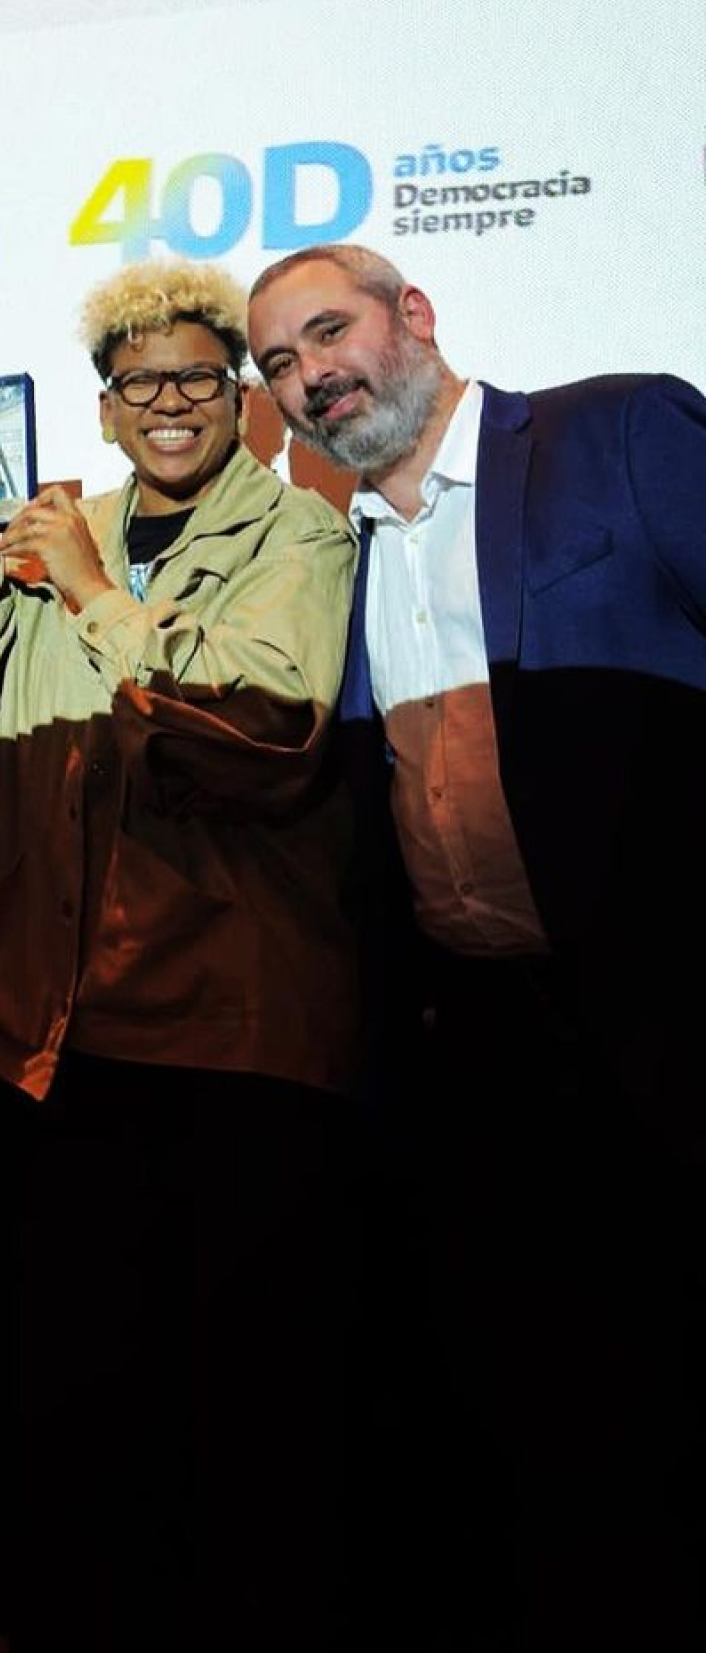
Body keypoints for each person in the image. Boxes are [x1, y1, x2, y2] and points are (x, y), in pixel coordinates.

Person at [246, 242, 706, 1648]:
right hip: (486, 1055)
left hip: (671, 1020)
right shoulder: (337, 561)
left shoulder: (616, 430)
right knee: (566, 1422)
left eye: (330, 333)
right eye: (280, 364)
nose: (312, 377)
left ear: (415, 316)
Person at [0, 257, 358, 1653]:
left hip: (221, 1027)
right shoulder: (69, 530)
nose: (168, 403)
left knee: (230, 1416)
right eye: (139, 384)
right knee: (72, 1405)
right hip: (54, 1028)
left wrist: (92, 590)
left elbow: (267, 728)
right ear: (105, 411)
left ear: (242, 401)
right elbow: (6, 717)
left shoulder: (301, 536)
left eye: (196, 378)